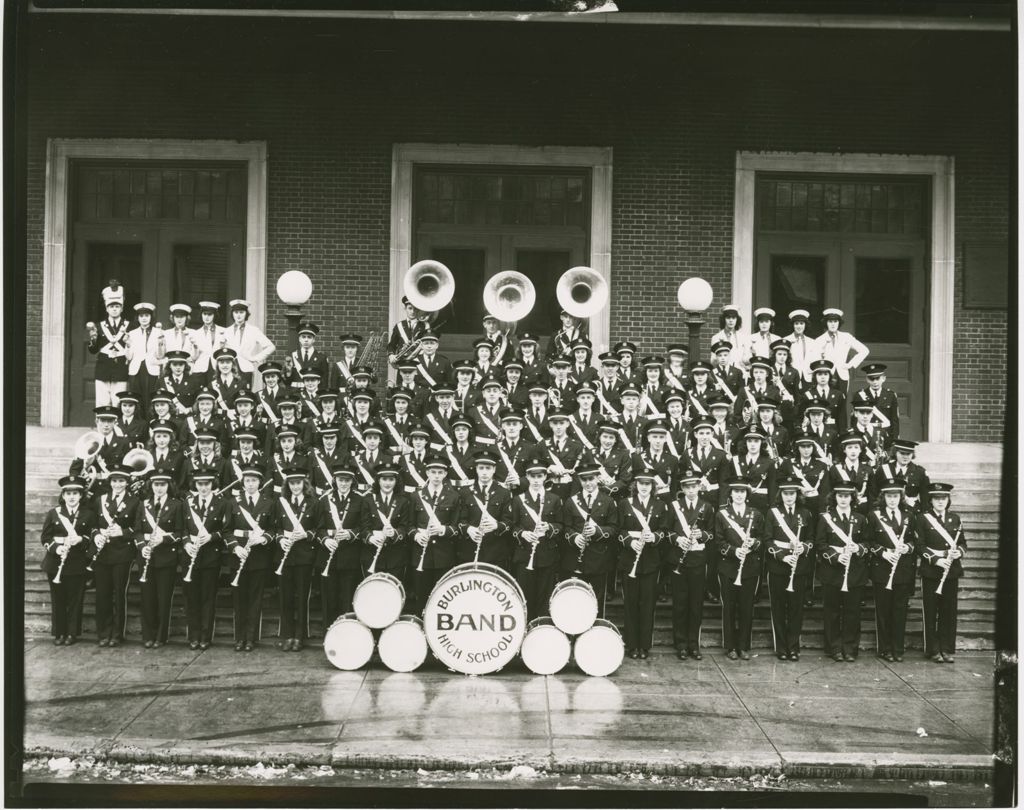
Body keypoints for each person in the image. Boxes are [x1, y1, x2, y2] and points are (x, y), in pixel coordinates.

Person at [814, 482, 870, 662]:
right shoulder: (826, 518)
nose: (844, 499)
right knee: (832, 611)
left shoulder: (860, 518)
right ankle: (834, 648)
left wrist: (858, 548)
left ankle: (850, 648)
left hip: (854, 571)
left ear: (852, 498)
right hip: (832, 571)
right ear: (835, 497)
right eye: (840, 496)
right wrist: (835, 557)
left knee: (852, 611)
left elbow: (868, 543)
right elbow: (820, 544)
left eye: (847, 496)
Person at [41, 475, 99, 646]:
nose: (72, 497)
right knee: (57, 599)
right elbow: (45, 537)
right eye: (68, 493)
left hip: (76, 563)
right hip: (55, 562)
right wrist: (55, 548)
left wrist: (81, 540)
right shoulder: (54, 513)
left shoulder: (88, 514)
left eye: (75, 493)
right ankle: (59, 633)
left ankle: (72, 634)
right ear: (63, 495)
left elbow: (91, 537)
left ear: (81, 495)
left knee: (75, 600)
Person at [225, 465, 277, 652]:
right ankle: (239, 638)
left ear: (259, 483)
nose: (250, 484)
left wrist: (264, 539)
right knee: (239, 600)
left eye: (254, 481)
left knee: (255, 600)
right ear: (243, 483)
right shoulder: (233, 502)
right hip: (239, 555)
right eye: (247, 481)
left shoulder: (268, 502)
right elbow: (226, 530)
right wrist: (235, 547)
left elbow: (273, 529)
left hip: (258, 558)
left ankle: (251, 638)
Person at [617, 470, 668, 660]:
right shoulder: (625, 504)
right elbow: (619, 529)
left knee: (647, 604)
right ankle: (631, 645)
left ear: (653, 486)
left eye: (648, 484)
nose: (644, 487)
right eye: (641, 483)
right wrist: (630, 541)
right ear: (635, 485)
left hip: (650, 561)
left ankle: (644, 645)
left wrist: (654, 536)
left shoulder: (660, 505)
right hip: (630, 558)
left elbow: (664, 530)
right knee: (630, 603)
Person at [916, 482, 968, 664]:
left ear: (948, 500)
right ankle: (932, 649)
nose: (940, 502)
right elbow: (919, 546)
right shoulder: (922, 519)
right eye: (937, 498)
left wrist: (958, 552)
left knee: (949, 611)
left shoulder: (955, 518)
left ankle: (946, 649)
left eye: (943, 498)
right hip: (931, 570)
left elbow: (963, 543)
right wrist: (936, 559)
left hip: (951, 571)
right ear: (931, 500)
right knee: (930, 611)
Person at [667, 468, 715, 661]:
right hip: (678, 558)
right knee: (680, 603)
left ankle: (693, 644)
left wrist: (701, 535)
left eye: (694, 486)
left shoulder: (707, 507)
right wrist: (678, 539)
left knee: (696, 604)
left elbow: (712, 534)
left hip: (697, 560)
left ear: (699, 487)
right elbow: (666, 530)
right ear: (682, 488)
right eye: (687, 487)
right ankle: (680, 644)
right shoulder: (674, 506)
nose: (691, 490)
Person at [764, 475, 814, 661]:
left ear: (797, 494)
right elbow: (767, 540)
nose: (789, 497)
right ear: (781, 494)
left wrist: (804, 547)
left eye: (792, 493)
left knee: (796, 609)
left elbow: (811, 539)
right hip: (779, 565)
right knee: (778, 607)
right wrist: (782, 556)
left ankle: (793, 647)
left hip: (799, 566)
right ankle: (781, 647)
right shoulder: (772, 512)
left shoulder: (806, 513)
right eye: (786, 493)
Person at [561, 461, 619, 618]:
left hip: (599, 559)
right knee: (576, 600)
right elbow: (566, 528)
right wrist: (575, 537)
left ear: (597, 478)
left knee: (597, 602)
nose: (588, 483)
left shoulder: (608, 501)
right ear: (580, 481)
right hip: (575, 559)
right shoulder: (571, 501)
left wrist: (596, 531)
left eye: (591, 478)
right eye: (584, 480)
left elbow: (614, 529)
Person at [135, 467, 185, 649]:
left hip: (166, 557)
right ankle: (148, 635)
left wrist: (163, 539)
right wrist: (142, 547)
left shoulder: (176, 505)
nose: (159, 488)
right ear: (151, 485)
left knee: (164, 598)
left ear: (168, 486)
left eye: (162, 485)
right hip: (147, 556)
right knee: (147, 598)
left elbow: (180, 533)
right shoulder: (143, 504)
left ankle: (161, 637)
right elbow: (137, 530)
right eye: (156, 484)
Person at [715, 480, 764, 661]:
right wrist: (735, 551)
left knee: (746, 608)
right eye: (736, 491)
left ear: (747, 494)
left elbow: (762, 539)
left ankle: (743, 646)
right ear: (730, 494)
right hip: (728, 567)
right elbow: (718, 542)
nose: (739, 494)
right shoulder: (722, 515)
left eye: (742, 491)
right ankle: (730, 647)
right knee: (729, 608)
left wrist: (753, 543)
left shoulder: (756, 514)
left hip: (750, 567)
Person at [869, 478, 917, 663]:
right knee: (883, 611)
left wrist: (908, 548)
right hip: (882, 570)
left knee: (900, 611)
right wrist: (883, 553)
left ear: (900, 497)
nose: (892, 499)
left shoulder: (909, 516)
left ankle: (898, 648)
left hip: (903, 570)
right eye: (889, 496)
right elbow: (869, 541)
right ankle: (885, 648)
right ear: (883, 497)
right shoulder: (874, 516)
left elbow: (915, 541)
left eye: (895, 496)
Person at [91, 464, 139, 647]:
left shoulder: (134, 501)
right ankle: (103, 632)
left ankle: (118, 633)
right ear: (110, 482)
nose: (117, 484)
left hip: (122, 553)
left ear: (127, 483)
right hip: (102, 552)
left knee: (119, 593)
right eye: (114, 481)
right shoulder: (100, 500)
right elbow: (92, 524)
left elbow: (138, 528)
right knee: (102, 593)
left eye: (121, 481)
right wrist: (96, 535)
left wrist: (123, 532)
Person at [273, 467, 321, 652]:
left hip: (304, 556)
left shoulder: (313, 503)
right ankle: (287, 635)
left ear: (304, 484)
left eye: (298, 483)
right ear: (287, 485)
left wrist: (305, 535)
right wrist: (281, 539)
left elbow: (318, 529)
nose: (295, 486)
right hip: (285, 556)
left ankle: (299, 636)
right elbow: (274, 527)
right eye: (292, 483)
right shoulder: (280, 503)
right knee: (285, 597)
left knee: (302, 597)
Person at [408, 455, 462, 614]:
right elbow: (409, 526)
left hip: (443, 557)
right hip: (421, 556)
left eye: (440, 472)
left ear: (445, 474)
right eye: (433, 472)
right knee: (421, 599)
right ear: (427, 473)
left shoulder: (454, 496)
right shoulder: (416, 496)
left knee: (443, 600)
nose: (437, 476)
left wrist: (443, 530)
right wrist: (417, 535)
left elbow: (457, 527)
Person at [180, 470, 228, 650]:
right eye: (200, 484)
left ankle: (206, 636)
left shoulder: (221, 503)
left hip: (210, 556)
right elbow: (182, 529)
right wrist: (186, 543)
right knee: (191, 598)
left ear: (212, 484)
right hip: (190, 554)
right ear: (195, 485)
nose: (203, 487)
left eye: (207, 484)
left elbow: (226, 530)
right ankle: (193, 636)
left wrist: (212, 537)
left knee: (208, 598)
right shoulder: (187, 503)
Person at [511, 463, 563, 620]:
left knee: (544, 597)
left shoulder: (554, 499)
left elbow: (561, 526)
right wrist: (523, 534)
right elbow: (512, 526)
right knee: (525, 597)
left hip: (547, 556)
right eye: (532, 476)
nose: (535, 480)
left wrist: (549, 527)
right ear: (527, 477)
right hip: (525, 555)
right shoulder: (518, 500)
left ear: (545, 477)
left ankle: (542, 632)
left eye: (539, 476)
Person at [316, 463, 366, 626]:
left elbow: (364, 527)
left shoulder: (360, 500)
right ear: (334, 480)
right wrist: (325, 539)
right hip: (328, 554)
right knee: (329, 598)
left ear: (352, 481)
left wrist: (351, 534)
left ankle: (347, 632)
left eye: (347, 480)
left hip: (350, 555)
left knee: (347, 598)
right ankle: (329, 633)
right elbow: (318, 527)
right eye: (340, 480)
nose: (343, 483)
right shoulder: (324, 500)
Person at [457, 449, 513, 567]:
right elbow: (459, 520)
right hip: (469, 550)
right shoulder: (465, 492)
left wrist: (497, 526)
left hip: (495, 552)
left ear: (494, 470)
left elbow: (509, 522)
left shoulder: (504, 493)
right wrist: (468, 529)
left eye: (488, 468)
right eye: (481, 468)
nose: (484, 472)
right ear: (476, 469)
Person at [360, 462, 412, 588]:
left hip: (396, 557)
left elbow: (405, 527)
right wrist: (371, 538)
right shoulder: (368, 500)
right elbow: (363, 527)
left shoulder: (403, 501)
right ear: (378, 481)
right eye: (384, 479)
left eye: (391, 479)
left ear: (396, 481)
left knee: (394, 593)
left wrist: (395, 533)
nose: (387, 483)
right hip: (372, 555)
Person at [811, 308, 869, 414]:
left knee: (841, 402)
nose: (833, 324)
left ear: (839, 323)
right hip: (827, 375)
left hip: (842, 374)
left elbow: (864, 350)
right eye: (830, 321)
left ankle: (841, 429)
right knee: (825, 402)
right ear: (826, 323)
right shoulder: (819, 340)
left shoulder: (846, 337)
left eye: (835, 321)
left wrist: (850, 364)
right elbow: (815, 359)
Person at [88, 280, 131, 407]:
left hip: (121, 368)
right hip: (103, 368)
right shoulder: (99, 326)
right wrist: (94, 340)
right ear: (106, 308)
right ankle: (102, 427)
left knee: (119, 402)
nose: (114, 309)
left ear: (122, 308)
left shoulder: (130, 326)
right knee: (102, 403)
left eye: (117, 306)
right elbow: (93, 350)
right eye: (111, 306)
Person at [222, 299, 276, 390]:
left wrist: (255, 358)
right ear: (232, 314)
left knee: (245, 395)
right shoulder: (226, 331)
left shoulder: (253, 330)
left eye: (241, 312)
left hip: (246, 368)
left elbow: (271, 347)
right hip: (229, 369)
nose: (238, 315)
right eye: (236, 312)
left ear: (246, 313)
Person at [874, 438, 931, 513]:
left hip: (911, 511)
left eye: (908, 454)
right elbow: (874, 493)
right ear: (895, 452)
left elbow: (925, 499)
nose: (905, 457)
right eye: (902, 453)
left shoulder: (920, 472)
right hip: (887, 511)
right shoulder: (883, 469)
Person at [126, 302, 162, 414]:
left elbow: (160, 355)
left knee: (150, 399)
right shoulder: (132, 333)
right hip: (136, 370)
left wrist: (161, 344)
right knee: (136, 399)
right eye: (141, 316)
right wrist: (127, 345)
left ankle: (149, 427)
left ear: (151, 317)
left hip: (151, 369)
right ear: (137, 318)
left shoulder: (158, 332)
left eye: (147, 316)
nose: (144, 319)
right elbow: (129, 356)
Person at [849, 362, 900, 436]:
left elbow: (895, 421)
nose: (875, 382)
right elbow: (854, 419)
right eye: (871, 379)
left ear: (883, 378)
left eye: (877, 378)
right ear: (867, 379)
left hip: (885, 434)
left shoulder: (891, 395)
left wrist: (894, 440)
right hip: (867, 434)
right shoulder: (859, 395)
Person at [284, 321, 332, 391]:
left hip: (314, 394)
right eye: (303, 337)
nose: (306, 340)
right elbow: (287, 382)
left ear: (313, 340)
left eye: (309, 337)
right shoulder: (292, 356)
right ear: (299, 339)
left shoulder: (321, 357)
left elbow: (324, 383)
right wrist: (289, 372)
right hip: (295, 394)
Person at [189, 301, 227, 382]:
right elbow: (193, 357)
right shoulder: (196, 333)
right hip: (200, 368)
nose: (206, 317)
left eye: (210, 314)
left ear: (214, 316)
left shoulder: (223, 331)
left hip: (217, 368)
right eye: (204, 314)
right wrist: (195, 348)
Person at [387, 297, 429, 369]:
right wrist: (391, 355)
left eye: (415, 309)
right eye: (410, 308)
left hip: (419, 365)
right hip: (403, 364)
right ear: (405, 308)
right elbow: (391, 345)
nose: (412, 311)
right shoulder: (399, 326)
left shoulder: (424, 326)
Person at [742, 307, 781, 371]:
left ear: (771, 323)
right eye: (761, 321)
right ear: (758, 323)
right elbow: (744, 359)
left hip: (772, 371)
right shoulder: (750, 338)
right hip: (756, 371)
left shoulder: (777, 339)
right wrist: (753, 356)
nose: (764, 324)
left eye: (767, 321)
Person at [708, 304, 746, 370]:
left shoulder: (743, 337)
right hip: (722, 372)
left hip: (739, 372)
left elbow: (745, 357)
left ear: (737, 320)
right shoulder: (716, 337)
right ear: (724, 319)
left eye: (733, 318)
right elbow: (713, 360)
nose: (731, 320)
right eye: (728, 318)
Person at [783, 309, 815, 386]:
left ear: (805, 325)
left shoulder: (812, 342)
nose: (799, 326)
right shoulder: (786, 340)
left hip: (808, 377)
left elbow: (814, 359)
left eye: (801, 323)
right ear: (793, 325)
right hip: (791, 377)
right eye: (796, 323)